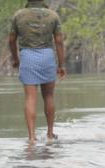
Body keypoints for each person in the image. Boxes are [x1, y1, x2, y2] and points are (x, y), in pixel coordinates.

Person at [9, 0, 66, 144]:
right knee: (48, 96)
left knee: (30, 98)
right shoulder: (53, 16)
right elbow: (59, 41)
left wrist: (15, 59)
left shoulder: (18, 15)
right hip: (47, 56)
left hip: (27, 57)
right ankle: (50, 133)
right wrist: (61, 65)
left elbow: (11, 40)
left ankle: (32, 137)